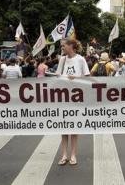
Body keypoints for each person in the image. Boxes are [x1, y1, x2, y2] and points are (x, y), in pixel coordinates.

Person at [56, 38, 90, 166]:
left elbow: (87, 77)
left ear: (71, 46)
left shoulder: (81, 59)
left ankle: (73, 154)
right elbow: (57, 77)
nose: (62, 48)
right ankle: (64, 155)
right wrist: (62, 79)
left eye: (64, 45)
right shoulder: (62, 60)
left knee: (74, 128)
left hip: (77, 98)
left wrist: (75, 78)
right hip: (64, 97)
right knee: (64, 128)